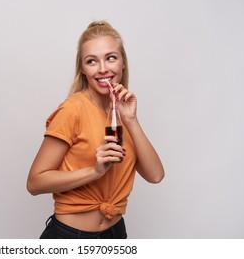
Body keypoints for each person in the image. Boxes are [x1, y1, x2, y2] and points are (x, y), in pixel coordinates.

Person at [26, 20, 164, 239]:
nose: (103, 69)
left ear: (122, 63)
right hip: (69, 237)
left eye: (111, 58)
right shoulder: (72, 109)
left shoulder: (122, 111)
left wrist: (132, 120)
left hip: (115, 234)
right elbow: (34, 183)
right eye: (92, 61)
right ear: (82, 68)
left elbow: (156, 175)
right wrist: (95, 171)